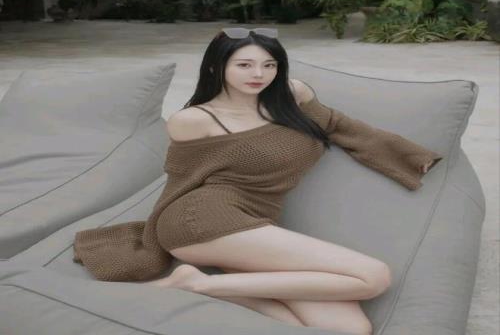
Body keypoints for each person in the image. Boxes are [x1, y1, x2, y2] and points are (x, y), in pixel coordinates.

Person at [73, 27, 442, 333]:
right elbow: (179, 181)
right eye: (244, 64)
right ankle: (195, 283)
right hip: (201, 219)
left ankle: (208, 288)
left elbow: (338, 125)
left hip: (253, 225)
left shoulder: (292, 96)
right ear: (217, 67)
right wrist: (154, 239)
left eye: (269, 65)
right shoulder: (195, 120)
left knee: (349, 329)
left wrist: (410, 157)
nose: (258, 74)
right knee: (374, 277)